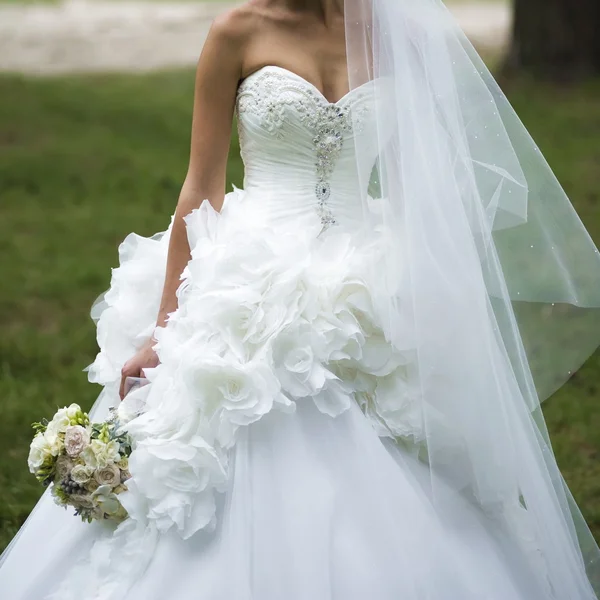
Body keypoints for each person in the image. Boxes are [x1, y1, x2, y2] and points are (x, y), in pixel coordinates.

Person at [1, 0, 600, 598]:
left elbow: (418, 182)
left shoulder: (397, 36)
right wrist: (165, 328)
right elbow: (201, 184)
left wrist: (430, 298)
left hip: (368, 275)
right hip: (251, 272)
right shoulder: (239, 29)